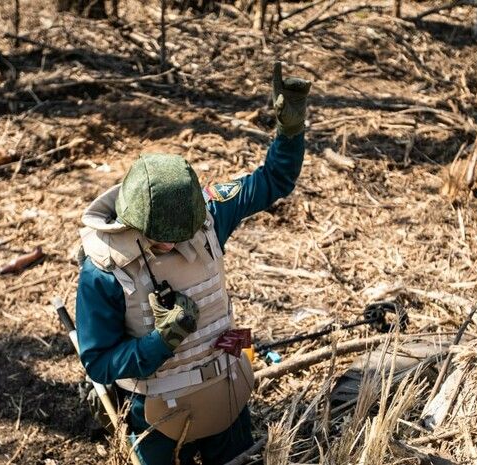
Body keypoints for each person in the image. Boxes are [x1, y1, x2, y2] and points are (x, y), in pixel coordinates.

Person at [75, 62, 311, 465]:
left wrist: (289, 131)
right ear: (134, 221)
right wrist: (159, 343)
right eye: (158, 237)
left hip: (226, 395)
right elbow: (98, 363)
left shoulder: (209, 214)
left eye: (179, 234)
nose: (170, 244)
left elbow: (274, 179)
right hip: (155, 413)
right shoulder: (104, 271)